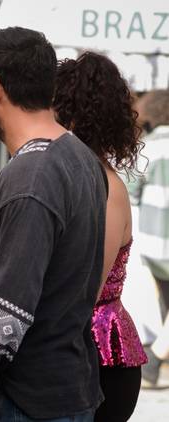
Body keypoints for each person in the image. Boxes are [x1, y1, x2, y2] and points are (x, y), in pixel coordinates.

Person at [0, 27, 107, 421]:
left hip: (24, 399)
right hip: (60, 385)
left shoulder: (31, 178)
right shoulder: (77, 155)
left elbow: (9, 307)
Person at [53, 51, 146, 422]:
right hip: (80, 351)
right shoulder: (79, 178)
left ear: (70, 117)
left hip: (101, 355)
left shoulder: (106, 186)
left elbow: (85, 284)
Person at [132, 89, 169, 387]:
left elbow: (132, 194)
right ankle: (154, 360)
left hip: (149, 241)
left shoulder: (147, 148)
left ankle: (152, 359)